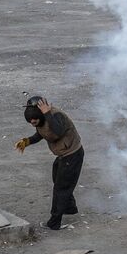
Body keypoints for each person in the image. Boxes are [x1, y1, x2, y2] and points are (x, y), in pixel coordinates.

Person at [15, 95, 83, 230]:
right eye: (31, 122)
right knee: (57, 177)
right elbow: (42, 133)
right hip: (63, 155)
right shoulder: (41, 120)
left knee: (60, 189)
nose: (33, 123)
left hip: (72, 155)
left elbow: (57, 131)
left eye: (34, 120)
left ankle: (54, 222)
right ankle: (69, 207)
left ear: (42, 113)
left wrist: (47, 113)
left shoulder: (55, 116)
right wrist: (27, 141)